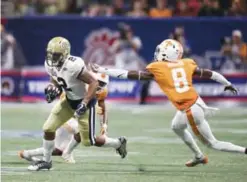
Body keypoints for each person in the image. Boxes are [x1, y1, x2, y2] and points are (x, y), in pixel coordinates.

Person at [91, 39, 247, 167]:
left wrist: (105, 70)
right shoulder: (186, 63)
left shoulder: (158, 68)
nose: (158, 53)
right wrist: (226, 83)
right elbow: (210, 74)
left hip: (190, 109)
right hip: (196, 102)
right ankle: (198, 155)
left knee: (213, 143)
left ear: (166, 53)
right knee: (176, 126)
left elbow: (128, 74)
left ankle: (244, 151)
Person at [27, 37, 127, 171]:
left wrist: (85, 103)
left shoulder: (73, 65)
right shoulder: (50, 64)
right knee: (48, 128)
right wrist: (53, 87)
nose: (52, 57)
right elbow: (55, 79)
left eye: (56, 55)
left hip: (84, 103)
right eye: (50, 54)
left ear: (65, 54)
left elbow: (93, 82)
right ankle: (46, 161)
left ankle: (117, 143)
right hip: (68, 101)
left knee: (89, 141)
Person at [19, 72, 112, 164]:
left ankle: (27, 154)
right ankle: (67, 153)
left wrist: (104, 125)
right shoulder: (81, 85)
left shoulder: (101, 91)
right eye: (98, 82)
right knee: (81, 132)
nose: (99, 85)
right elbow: (68, 102)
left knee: (58, 150)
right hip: (66, 114)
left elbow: (103, 107)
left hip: (77, 116)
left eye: (102, 83)